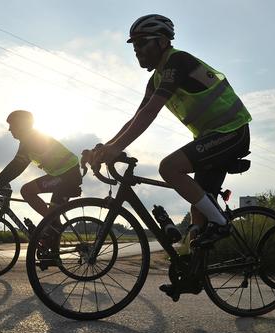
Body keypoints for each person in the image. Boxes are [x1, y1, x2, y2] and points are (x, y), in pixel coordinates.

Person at [83, 14, 252, 248]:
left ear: (162, 41)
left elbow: (151, 111)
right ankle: (191, 274)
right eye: (134, 45)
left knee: (169, 167)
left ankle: (222, 224)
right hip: (211, 137)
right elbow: (136, 117)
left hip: (232, 131)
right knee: (198, 216)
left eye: (142, 43)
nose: (137, 50)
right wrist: (105, 147)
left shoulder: (177, 61)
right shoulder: (155, 80)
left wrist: (115, 148)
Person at [0, 110, 82, 228]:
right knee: (48, 223)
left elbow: (16, 166)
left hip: (67, 175)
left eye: (12, 125)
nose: (9, 129)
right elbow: (16, 166)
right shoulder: (29, 139)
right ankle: (52, 227)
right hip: (62, 174)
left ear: (21, 125)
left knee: (27, 191)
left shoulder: (31, 139)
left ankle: (52, 225)